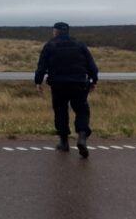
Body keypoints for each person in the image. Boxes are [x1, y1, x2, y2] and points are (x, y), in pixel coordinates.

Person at [35, 22, 99, 158]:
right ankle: (82, 136)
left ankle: (64, 142)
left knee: (60, 111)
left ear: (56, 31)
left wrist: (38, 81)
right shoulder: (80, 44)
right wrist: (94, 80)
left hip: (58, 85)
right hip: (79, 84)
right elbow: (91, 64)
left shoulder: (50, 45)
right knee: (82, 110)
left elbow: (41, 65)